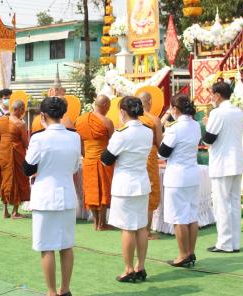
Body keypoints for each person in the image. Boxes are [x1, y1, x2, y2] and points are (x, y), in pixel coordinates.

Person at [24, 97, 81, 296]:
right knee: (66, 246)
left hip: (45, 196)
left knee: (46, 247)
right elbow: (75, 167)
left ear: (43, 116)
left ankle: (51, 291)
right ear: (63, 114)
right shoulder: (75, 137)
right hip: (66, 195)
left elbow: (27, 168)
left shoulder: (39, 138)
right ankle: (65, 289)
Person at [101, 96, 152, 283]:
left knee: (127, 229)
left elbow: (106, 158)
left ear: (122, 112)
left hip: (125, 185)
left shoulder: (122, 133)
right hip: (141, 182)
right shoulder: (147, 131)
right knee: (141, 228)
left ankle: (129, 268)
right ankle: (141, 266)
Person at [204, 81, 243, 253]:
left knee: (221, 204)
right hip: (236, 161)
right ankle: (234, 242)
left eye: (212, 95)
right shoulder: (238, 111)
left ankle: (224, 243)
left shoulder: (217, 113)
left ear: (217, 95)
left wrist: (207, 123)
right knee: (234, 202)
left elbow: (209, 138)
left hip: (222, 162)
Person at [158, 94, 201, 267]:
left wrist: (165, 124)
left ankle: (183, 254)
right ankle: (190, 252)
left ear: (175, 109)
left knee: (179, 217)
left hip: (177, 176)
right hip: (192, 173)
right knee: (191, 215)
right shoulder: (196, 125)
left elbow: (163, 153)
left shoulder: (174, 128)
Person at [75, 95, 114, 231]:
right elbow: (113, 144)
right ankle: (101, 223)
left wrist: (87, 155)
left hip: (88, 160)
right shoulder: (107, 122)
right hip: (103, 160)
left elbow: (79, 143)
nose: (109, 109)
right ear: (104, 105)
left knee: (91, 190)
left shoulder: (80, 120)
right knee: (103, 190)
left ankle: (95, 222)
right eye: (108, 106)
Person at [0, 100, 30, 219]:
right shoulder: (20, 124)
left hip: (3, 154)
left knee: (5, 180)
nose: (23, 112)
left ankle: (5, 210)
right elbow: (25, 143)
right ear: (17, 110)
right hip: (16, 155)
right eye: (23, 109)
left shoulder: (0, 121)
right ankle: (15, 211)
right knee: (18, 180)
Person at [138, 92, 162, 239]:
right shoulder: (154, 120)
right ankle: (146, 231)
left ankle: (136, 229)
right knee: (151, 190)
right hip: (150, 155)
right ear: (149, 102)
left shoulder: (130, 120)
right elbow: (159, 143)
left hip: (135, 156)